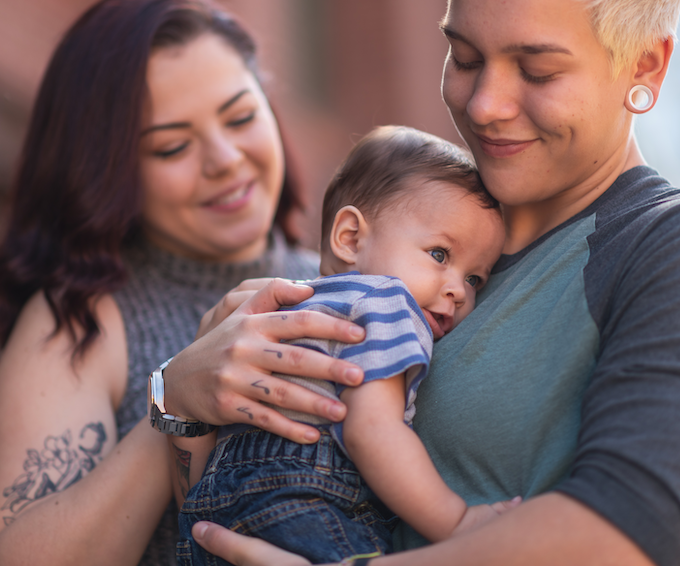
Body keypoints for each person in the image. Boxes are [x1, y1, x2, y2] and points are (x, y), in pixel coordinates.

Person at [150, 0, 680, 565]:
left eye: (537, 69)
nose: (484, 104)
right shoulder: (402, 231)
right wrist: (181, 397)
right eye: (464, 55)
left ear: (645, 67)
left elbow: (628, 538)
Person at [0, 0, 323, 566]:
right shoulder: (79, 322)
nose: (225, 161)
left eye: (239, 118)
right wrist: (177, 400)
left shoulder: (342, 281)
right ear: (110, 175)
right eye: (171, 148)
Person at [173, 126, 510, 565]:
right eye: (441, 255)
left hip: (208, 518)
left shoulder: (281, 309)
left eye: (474, 278)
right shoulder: (387, 302)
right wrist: (458, 523)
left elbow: (213, 451)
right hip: (309, 498)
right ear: (350, 237)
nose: (458, 292)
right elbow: (372, 431)